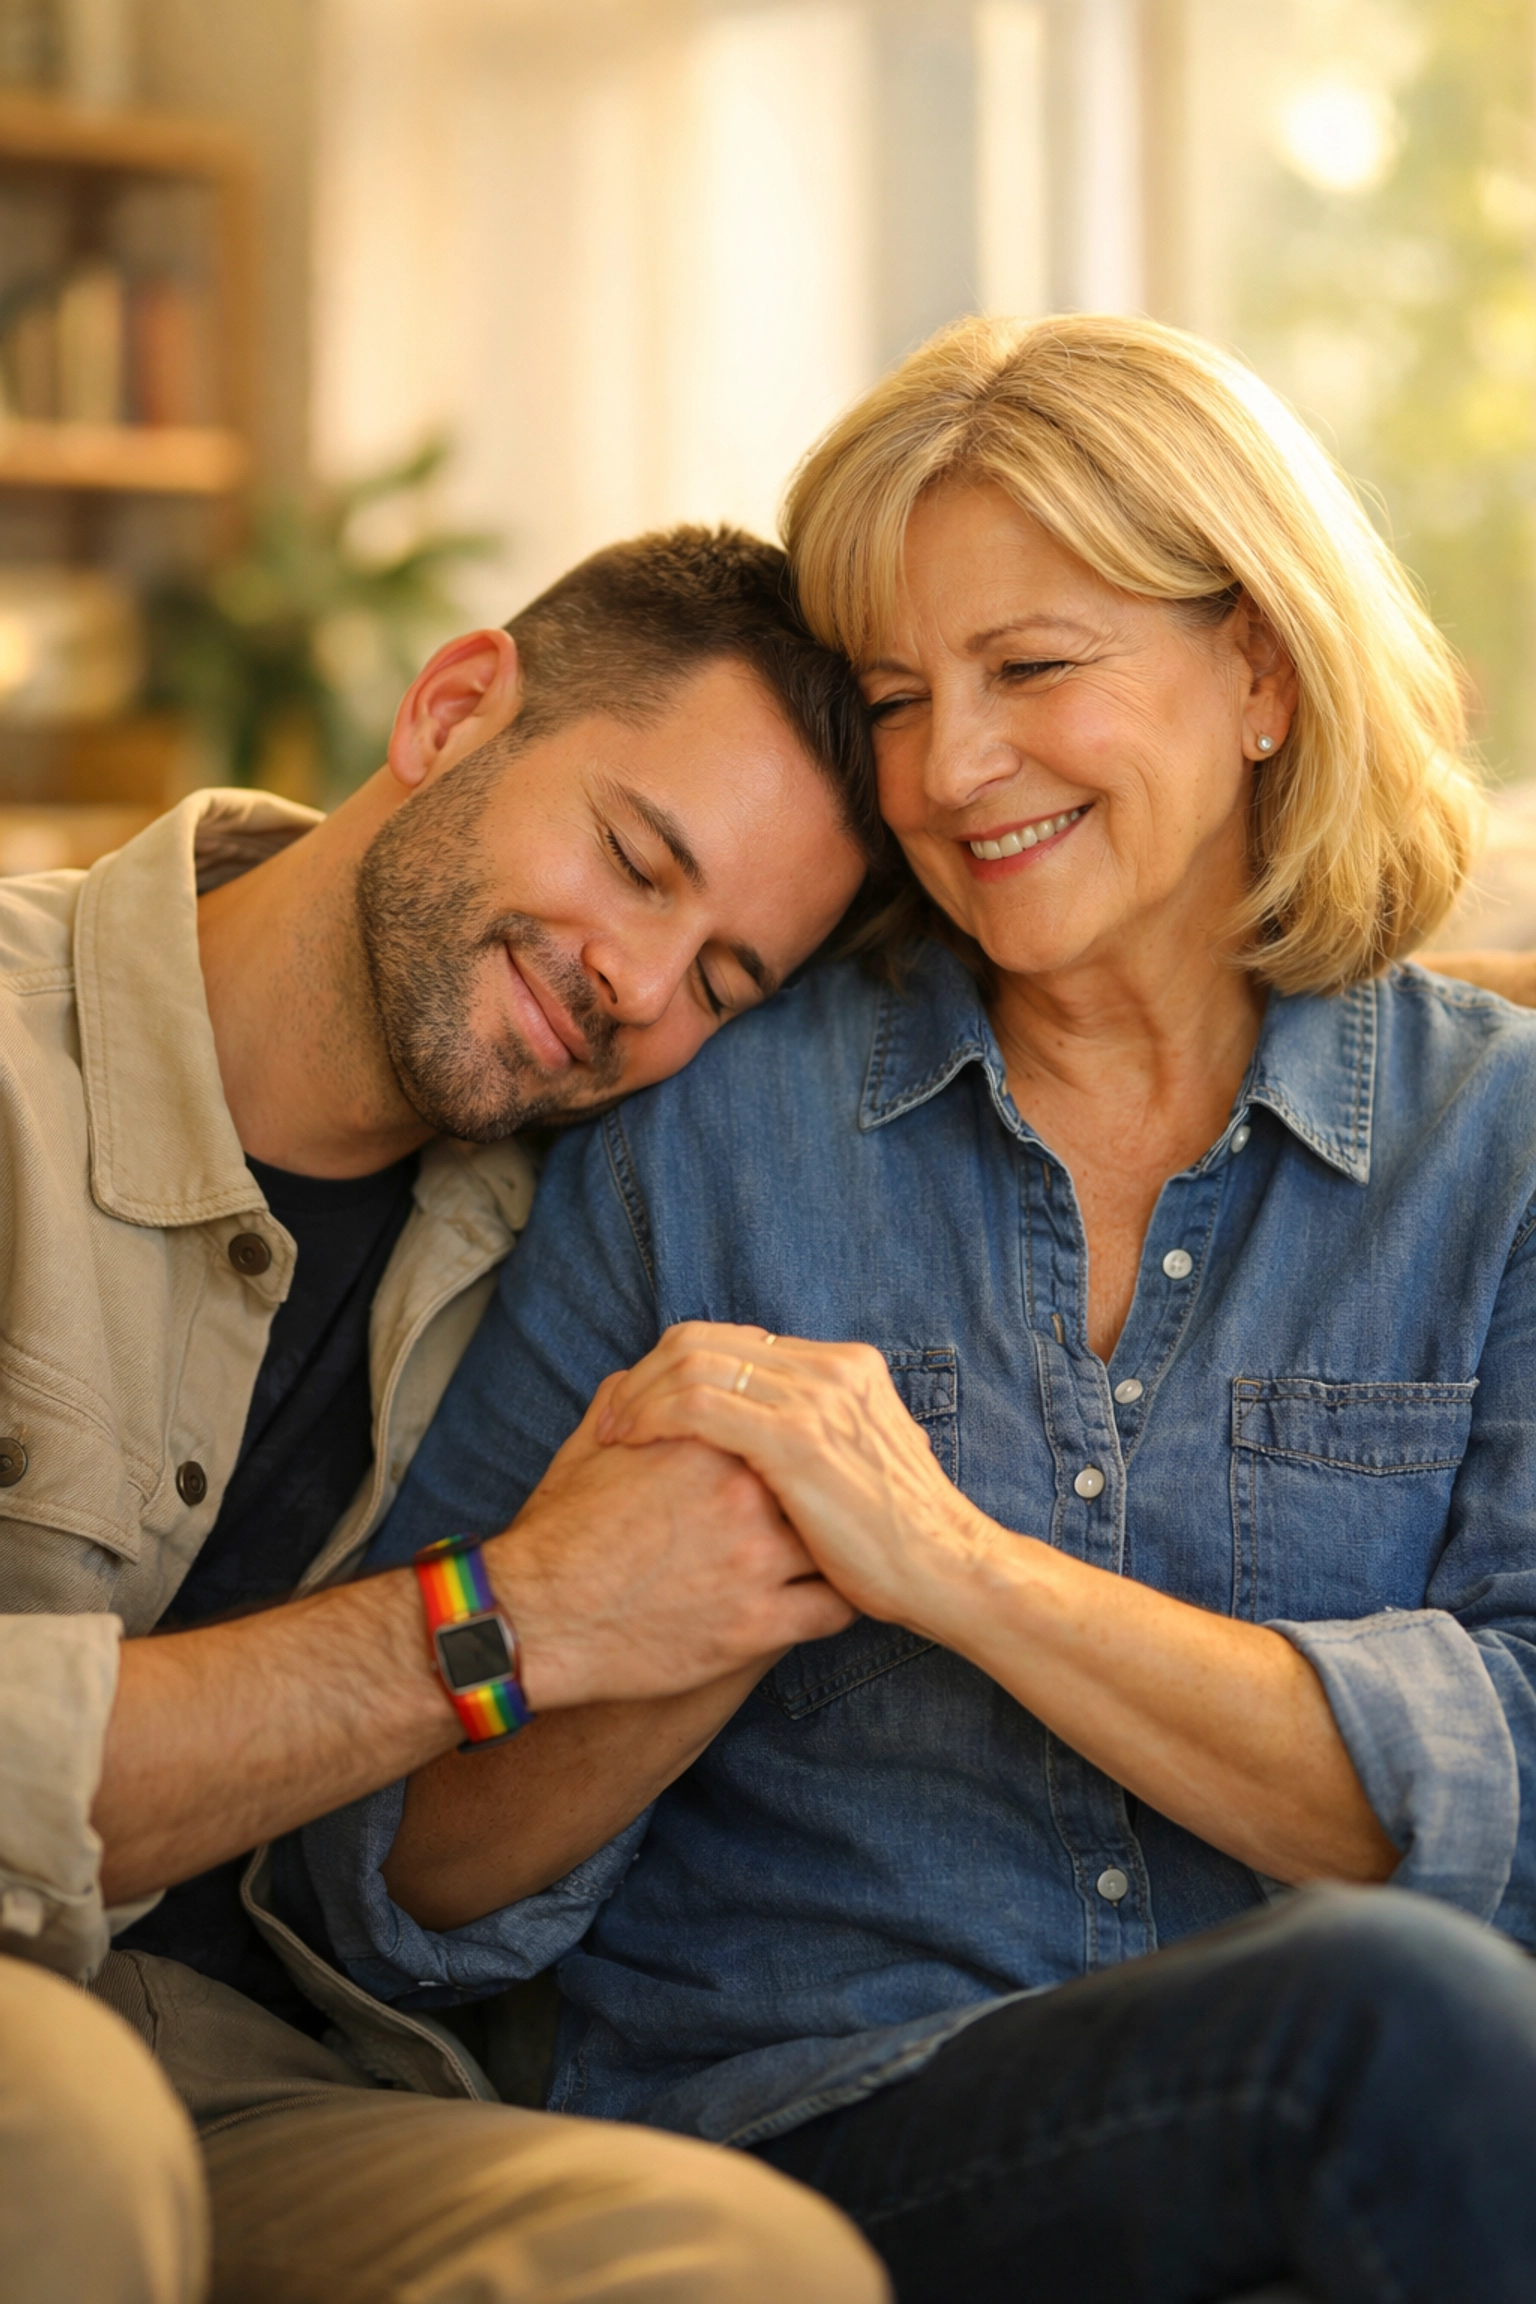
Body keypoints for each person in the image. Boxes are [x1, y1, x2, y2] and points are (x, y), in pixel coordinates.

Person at [310, 319, 1536, 2304]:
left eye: (1033, 670)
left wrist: (953, 1564)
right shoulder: (703, 1129)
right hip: (824, 2151)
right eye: (895, 699)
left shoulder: (1499, 1151)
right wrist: (675, 1606)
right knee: (1383, 2018)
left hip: (1384, 2176)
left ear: (1259, 670)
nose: (953, 772)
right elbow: (399, 1880)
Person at [0, 527, 889, 2304]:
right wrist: (507, 1624)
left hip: (252, 2080)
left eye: (721, 982)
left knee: (739, 2263)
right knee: (65, 2127)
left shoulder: (578, 1244)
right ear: (454, 706)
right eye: (640, 863)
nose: (639, 985)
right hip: (53, 2086)